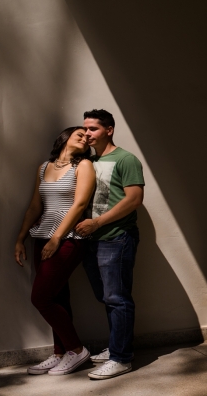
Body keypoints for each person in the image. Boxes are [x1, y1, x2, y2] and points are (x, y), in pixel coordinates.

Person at [15, 126, 95, 375]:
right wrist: (20, 239)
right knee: (57, 297)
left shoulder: (83, 166)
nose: (85, 137)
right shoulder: (43, 167)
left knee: (41, 298)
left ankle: (77, 350)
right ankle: (61, 353)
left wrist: (57, 238)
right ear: (64, 139)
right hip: (42, 236)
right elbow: (34, 207)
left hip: (68, 237)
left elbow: (80, 203)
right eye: (79, 134)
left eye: (87, 137)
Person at [75, 109, 144, 380]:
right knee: (106, 297)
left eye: (92, 129)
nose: (87, 133)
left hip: (117, 237)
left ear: (109, 130)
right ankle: (118, 346)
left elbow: (134, 199)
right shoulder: (89, 161)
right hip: (92, 240)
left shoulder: (126, 159)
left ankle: (121, 358)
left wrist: (98, 222)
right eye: (85, 128)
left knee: (118, 299)